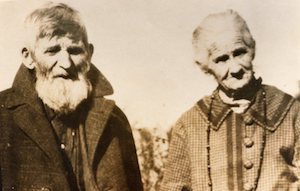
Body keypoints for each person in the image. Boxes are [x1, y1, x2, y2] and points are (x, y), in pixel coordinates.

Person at [0, 2, 143, 191]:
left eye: (75, 50)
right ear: (29, 57)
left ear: (89, 54)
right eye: (52, 51)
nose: (66, 63)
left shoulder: (114, 119)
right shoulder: (3, 117)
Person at [161, 10, 300, 191]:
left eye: (240, 53)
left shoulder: (290, 112)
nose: (235, 68)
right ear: (206, 67)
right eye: (221, 60)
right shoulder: (189, 125)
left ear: (252, 50)